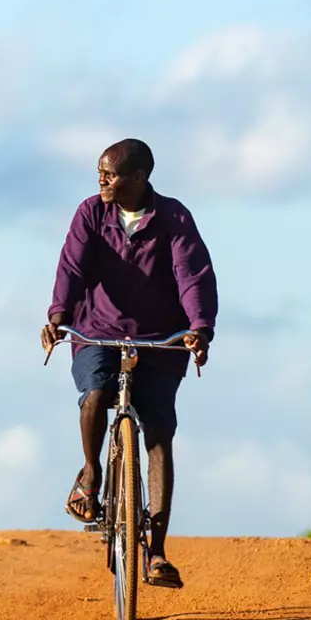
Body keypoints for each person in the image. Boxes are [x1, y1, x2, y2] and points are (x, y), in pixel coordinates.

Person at [41, 138, 216, 588]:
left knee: (159, 436)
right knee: (96, 395)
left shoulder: (174, 217)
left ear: (139, 178)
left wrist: (200, 327)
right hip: (96, 330)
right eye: (99, 171)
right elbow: (72, 268)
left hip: (161, 340)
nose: (102, 179)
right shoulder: (90, 214)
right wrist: (58, 317)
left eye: (112, 173)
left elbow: (191, 274)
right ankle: (91, 473)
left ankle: (157, 553)